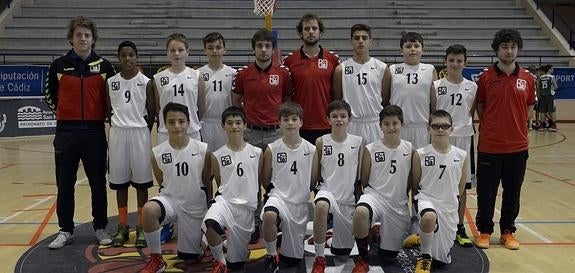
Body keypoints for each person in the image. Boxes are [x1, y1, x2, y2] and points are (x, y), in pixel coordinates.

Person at [44, 16, 115, 249]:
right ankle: (65, 230)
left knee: (97, 182)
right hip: (66, 132)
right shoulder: (58, 66)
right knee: (64, 184)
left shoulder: (105, 67)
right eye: (78, 35)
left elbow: (111, 99)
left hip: (95, 132)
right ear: (71, 38)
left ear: (93, 39)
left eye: (87, 35)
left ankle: (100, 227)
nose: (83, 38)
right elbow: (50, 97)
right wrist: (66, 114)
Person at [474, 29, 536, 250]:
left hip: (518, 147)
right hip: (490, 146)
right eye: (504, 47)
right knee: (486, 191)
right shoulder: (485, 78)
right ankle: (484, 231)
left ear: (518, 49)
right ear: (497, 49)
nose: (509, 51)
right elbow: (481, 107)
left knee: (513, 191)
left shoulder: (528, 78)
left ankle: (508, 231)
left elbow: (528, 107)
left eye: (513, 47)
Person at [232, 28, 292, 244]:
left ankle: (276, 219)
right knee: (252, 181)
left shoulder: (283, 73)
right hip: (251, 133)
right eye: (260, 46)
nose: (264, 50)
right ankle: (255, 223)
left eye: (268, 46)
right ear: (254, 49)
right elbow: (235, 100)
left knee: (277, 179)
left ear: (273, 49)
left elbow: (286, 100)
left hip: (276, 132)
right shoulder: (243, 74)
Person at [140, 102, 211, 273]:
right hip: (170, 201)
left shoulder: (203, 150)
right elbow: (162, 182)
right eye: (171, 122)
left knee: (191, 258)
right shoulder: (157, 153)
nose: (177, 126)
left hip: (194, 205)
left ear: (188, 122)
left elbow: (206, 183)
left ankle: (204, 240)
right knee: (149, 210)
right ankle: (157, 259)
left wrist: (207, 213)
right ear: (164, 124)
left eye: (181, 121)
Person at [351, 105, 413, 273]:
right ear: (380, 125)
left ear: (402, 124)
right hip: (375, 197)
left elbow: (411, 181)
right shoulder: (371, 148)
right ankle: (363, 258)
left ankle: (377, 230)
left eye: (395, 123)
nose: (391, 127)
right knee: (361, 212)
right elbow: (364, 180)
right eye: (386, 124)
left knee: (388, 256)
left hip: (397, 205)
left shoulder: (410, 149)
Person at [106, 41, 155, 248]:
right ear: (119, 58)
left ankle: (142, 227)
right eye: (123, 55)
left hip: (139, 134)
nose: (127, 59)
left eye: (131, 55)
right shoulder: (110, 82)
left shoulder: (146, 82)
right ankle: (123, 226)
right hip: (118, 134)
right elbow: (108, 111)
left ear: (137, 57)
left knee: (142, 184)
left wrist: (142, 128)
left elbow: (151, 112)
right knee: (120, 183)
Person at [203, 106, 263, 273]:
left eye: (238, 123)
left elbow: (257, 181)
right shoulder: (217, 155)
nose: (234, 126)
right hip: (225, 202)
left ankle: (232, 246)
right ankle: (220, 263)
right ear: (223, 126)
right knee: (210, 225)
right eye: (229, 123)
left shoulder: (257, 153)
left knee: (237, 263)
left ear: (245, 125)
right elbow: (222, 183)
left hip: (245, 209)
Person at [260, 102, 319, 272]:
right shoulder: (272, 149)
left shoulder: (312, 149)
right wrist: (274, 194)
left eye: (294, 119)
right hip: (278, 198)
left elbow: (313, 181)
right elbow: (265, 179)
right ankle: (271, 256)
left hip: (299, 204)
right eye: (286, 119)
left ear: (301, 122)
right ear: (279, 123)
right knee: (269, 215)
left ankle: (280, 238)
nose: (290, 123)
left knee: (292, 260)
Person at [411, 110, 468, 273]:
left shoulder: (461, 155)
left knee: (441, 260)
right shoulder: (420, 154)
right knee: (429, 217)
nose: (440, 130)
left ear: (452, 129)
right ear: (429, 129)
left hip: (449, 208)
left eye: (445, 126)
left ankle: (421, 235)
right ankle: (424, 257)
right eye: (436, 126)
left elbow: (461, 188)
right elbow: (416, 185)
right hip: (427, 200)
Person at [433, 44, 477, 247]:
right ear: (445, 62)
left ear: (465, 63)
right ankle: (435, 225)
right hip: (441, 139)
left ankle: (459, 226)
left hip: (463, 140)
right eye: (451, 60)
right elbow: (433, 112)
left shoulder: (472, 87)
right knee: (437, 183)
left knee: (462, 186)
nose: (455, 64)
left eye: (459, 60)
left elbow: (472, 112)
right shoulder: (436, 86)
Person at [311, 100, 363, 273]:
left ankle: (331, 237)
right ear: (328, 119)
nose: (339, 120)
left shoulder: (358, 142)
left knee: (342, 254)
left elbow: (361, 175)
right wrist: (315, 189)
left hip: (347, 199)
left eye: (343, 116)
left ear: (350, 119)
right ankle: (319, 258)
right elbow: (316, 171)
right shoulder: (321, 141)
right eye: (334, 116)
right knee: (320, 206)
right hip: (327, 191)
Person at [283, 13, 340, 143]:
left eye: (314, 28)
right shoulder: (289, 61)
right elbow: (286, 95)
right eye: (307, 29)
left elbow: (338, 94)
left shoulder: (333, 59)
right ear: (301, 33)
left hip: (326, 123)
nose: (311, 32)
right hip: (299, 124)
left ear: (320, 32)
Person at [147, 33, 206, 144]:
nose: (177, 53)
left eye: (180, 50)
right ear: (167, 53)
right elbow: (158, 109)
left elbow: (201, 108)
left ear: (187, 52)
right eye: (172, 50)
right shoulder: (158, 78)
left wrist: (190, 121)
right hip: (166, 133)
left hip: (191, 132)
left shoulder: (197, 76)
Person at [333, 23, 386, 145]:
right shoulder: (341, 69)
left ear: (370, 41)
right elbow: (338, 98)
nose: (361, 41)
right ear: (351, 41)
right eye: (357, 38)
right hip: (351, 124)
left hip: (375, 123)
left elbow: (385, 98)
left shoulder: (382, 68)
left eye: (364, 38)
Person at [382, 31, 437, 149]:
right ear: (401, 50)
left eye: (416, 46)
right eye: (408, 46)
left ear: (423, 49)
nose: (412, 49)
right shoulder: (392, 69)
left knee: (420, 163)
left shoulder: (430, 69)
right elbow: (386, 99)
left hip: (422, 126)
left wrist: (434, 122)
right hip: (398, 126)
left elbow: (434, 101)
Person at [198, 32, 237, 151]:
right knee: (207, 159)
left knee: (225, 158)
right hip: (205, 122)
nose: (214, 51)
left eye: (218, 47)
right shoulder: (198, 73)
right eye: (210, 48)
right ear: (205, 50)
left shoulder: (233, 73)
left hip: (226, 122)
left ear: (225, 50)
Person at [536, 64, 559, 131]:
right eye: (552, 68)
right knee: (552, 111)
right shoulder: (552, 77)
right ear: (549, 69)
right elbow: (556, 87)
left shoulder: (541, 77)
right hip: (550, 96)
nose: (553, 70)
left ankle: (541, 126)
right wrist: (551, 89)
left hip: (542, 96)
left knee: (542, 111)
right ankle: (553, 126)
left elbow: (538, 87)